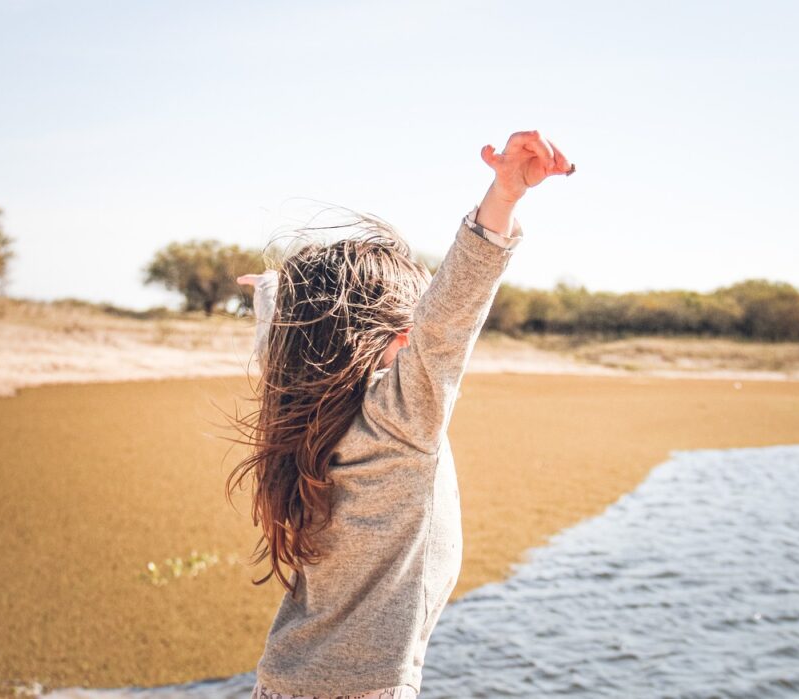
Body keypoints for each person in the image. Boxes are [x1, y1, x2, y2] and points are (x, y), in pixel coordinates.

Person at [228, 131, 574, 699]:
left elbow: (287, 350)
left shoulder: (303, 412)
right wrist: (502, 199)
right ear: (392, 334)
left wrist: (273, 296)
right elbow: (448, 319)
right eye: (408, 323)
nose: (416, 333)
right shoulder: (397, 420)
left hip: (282, 679)